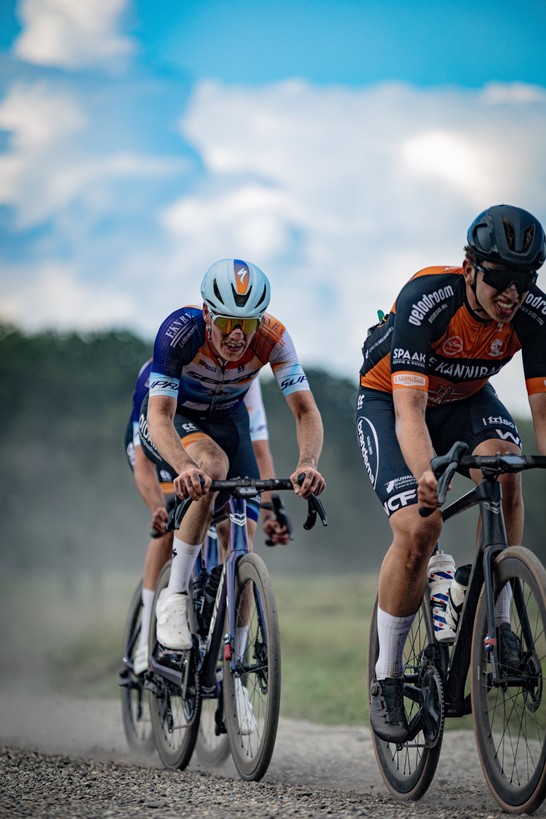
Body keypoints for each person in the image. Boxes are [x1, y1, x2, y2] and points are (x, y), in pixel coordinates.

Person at [356, 204, 546, 742]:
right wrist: (425, 473)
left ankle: (498, 621)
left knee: (507, 470)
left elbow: (543, 412)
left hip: (464, 397)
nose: (513, 292)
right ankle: (387, 677)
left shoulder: (534, 313)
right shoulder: (428, 298)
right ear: (470, 269)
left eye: (526, 278)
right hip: (392, 400)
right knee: (421, 527)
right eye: (501, 277)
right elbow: (409, 411)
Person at [139, 258, 325, 665]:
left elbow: (305, 411)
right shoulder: (179, 332)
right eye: (226, 323)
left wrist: (308, 462)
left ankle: (234, 664)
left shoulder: (273, 338)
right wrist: (184, 467)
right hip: (176, 419)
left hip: (227, 421)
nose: (237, 335)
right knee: (212, 467)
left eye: (248, 323)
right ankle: (174, 597)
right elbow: (160, 415)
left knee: (243, 535)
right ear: (207, 314)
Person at [125, 362, 290, 676]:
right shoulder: (158, 372)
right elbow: (143, 460)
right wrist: (157, 508)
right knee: (168, 527)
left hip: (216, 436)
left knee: (232, 518)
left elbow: (259, 450)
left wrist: (269, 509)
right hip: (163, 438)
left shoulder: (247, 380)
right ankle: (146, 638)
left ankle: (229, 660)